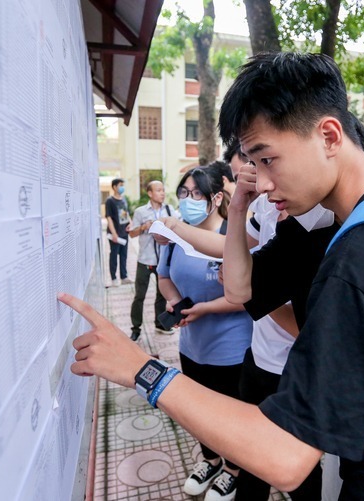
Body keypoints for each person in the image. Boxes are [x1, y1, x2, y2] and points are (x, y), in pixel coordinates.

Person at [59, 52, 364, 499]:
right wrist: (236, 206)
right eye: (253, 164)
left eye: (268, 159)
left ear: (329, 135)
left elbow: (285, 457)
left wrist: (141, 369)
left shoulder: (363, 252)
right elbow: (240, 287)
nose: (263, 184)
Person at [157, 168, 252, 501]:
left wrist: (205, 309)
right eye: (183, 193)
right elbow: (164, 276)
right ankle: (210, 460)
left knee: (229, 414)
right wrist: (173, 301)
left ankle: (233, 469)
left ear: (216, 198)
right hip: (192, 347)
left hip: (232, 349)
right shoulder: (177, 238)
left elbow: (248, 296)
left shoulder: (235, 237)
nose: (187, 201)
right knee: (199, 414)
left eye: (196, 194)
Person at [127, 180, 177, 341]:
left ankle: (160, 323)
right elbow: (132, 234)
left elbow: (180, 228)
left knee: (161, 295)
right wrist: (143, 227)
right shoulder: (141, 212)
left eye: (163, 190)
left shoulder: (169, 210)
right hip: (145, 259)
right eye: (158, 190)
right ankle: (136, 328)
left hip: (162, 260)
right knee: (139, 296)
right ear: (150, 193)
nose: (162, 193)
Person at [105, 178, 131, 286]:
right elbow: (109, 218)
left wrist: (130, 223)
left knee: (124, 256)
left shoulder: (123, 199)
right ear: (114, 187)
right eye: (120, 185)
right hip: (114, 234)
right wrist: (114, 233)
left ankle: (124, 277)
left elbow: (126, 213)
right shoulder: (110, 201)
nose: (122, 187)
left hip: (124, 232)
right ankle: (114, 278)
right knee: (114, 256)